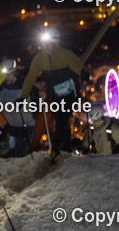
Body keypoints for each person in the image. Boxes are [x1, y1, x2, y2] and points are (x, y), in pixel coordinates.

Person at [21, 30, 86, 161]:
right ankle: (67, 149)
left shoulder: (65, 55)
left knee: (62, 118)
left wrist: (84, 72)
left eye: (49, 44)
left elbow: (78, 66)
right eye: (44, 45)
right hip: (55, 95)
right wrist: (23, 96)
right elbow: (30, 77)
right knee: (61, 120)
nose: (46, 47)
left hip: (70, 93)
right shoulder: (39, 58)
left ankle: (55, 150)